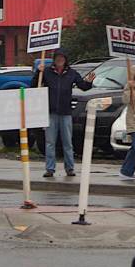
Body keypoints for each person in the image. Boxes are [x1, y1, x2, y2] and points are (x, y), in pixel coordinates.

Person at [33, 49, 95, 178]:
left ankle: (70, 168)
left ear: (66, 60)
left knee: (67, 142)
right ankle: (50, 169)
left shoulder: (72, 73)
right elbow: (34, 85)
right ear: (54, 59)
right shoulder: (47, 72)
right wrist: (38, 72)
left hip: (66, 112)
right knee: (50, 142)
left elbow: (83, 86)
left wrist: (89, 82)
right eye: (57, 58)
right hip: (51, 112)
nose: (60, 60)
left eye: (62, 58)